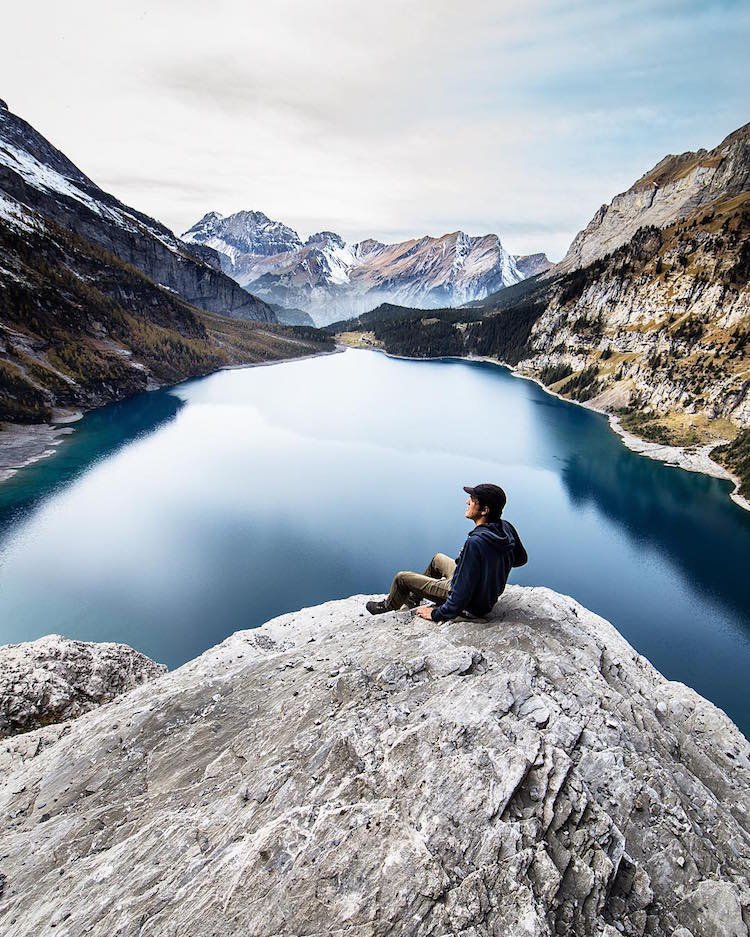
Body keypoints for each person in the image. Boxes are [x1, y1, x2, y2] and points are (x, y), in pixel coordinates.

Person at [366, 484, 527, 621]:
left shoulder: (476, 543)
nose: (467, 501)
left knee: (401, 578)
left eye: (472, 500)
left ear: (484, 510)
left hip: (473, 604)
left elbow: (462, 592)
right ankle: (414, 599)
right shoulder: (506, 527)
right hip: (485, 595)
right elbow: (520, 559)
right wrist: (491, 571)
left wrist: (437, 613)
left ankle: (387, 606)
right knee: (438, 559)